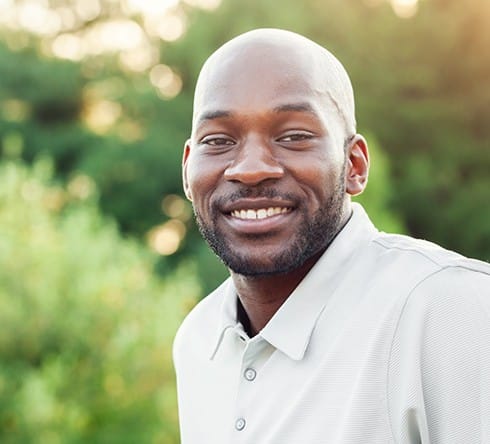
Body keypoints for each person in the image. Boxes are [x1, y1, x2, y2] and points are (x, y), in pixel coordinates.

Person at [173, 28, 490, 444]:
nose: (250, 169)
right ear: (187, 170)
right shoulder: (197, 341)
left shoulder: (452, 312)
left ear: (354, 165)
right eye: (218, 140)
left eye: (293, 136)